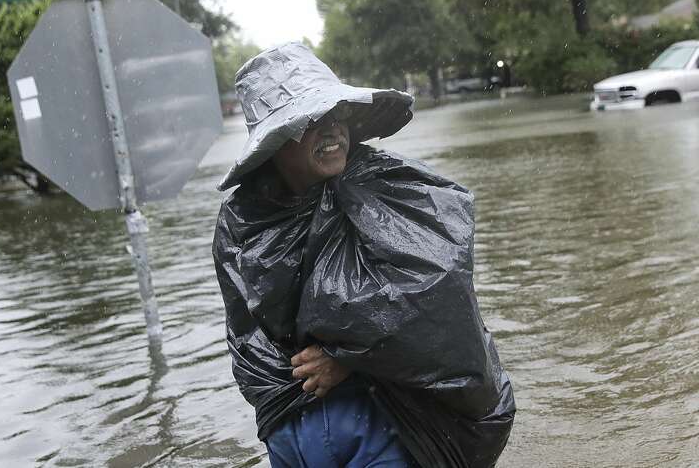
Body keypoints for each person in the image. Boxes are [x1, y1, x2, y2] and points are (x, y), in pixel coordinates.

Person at [212, 43, 515, 468]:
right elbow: (247, 336)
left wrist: (347, 358)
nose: (333, 130)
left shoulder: (386, 185)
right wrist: (289, 399)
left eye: (338, 115)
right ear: (277, 142)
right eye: (313, 119)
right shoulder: (242, 222)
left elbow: (437, 299)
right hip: (292, 432)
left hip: (386, 420)